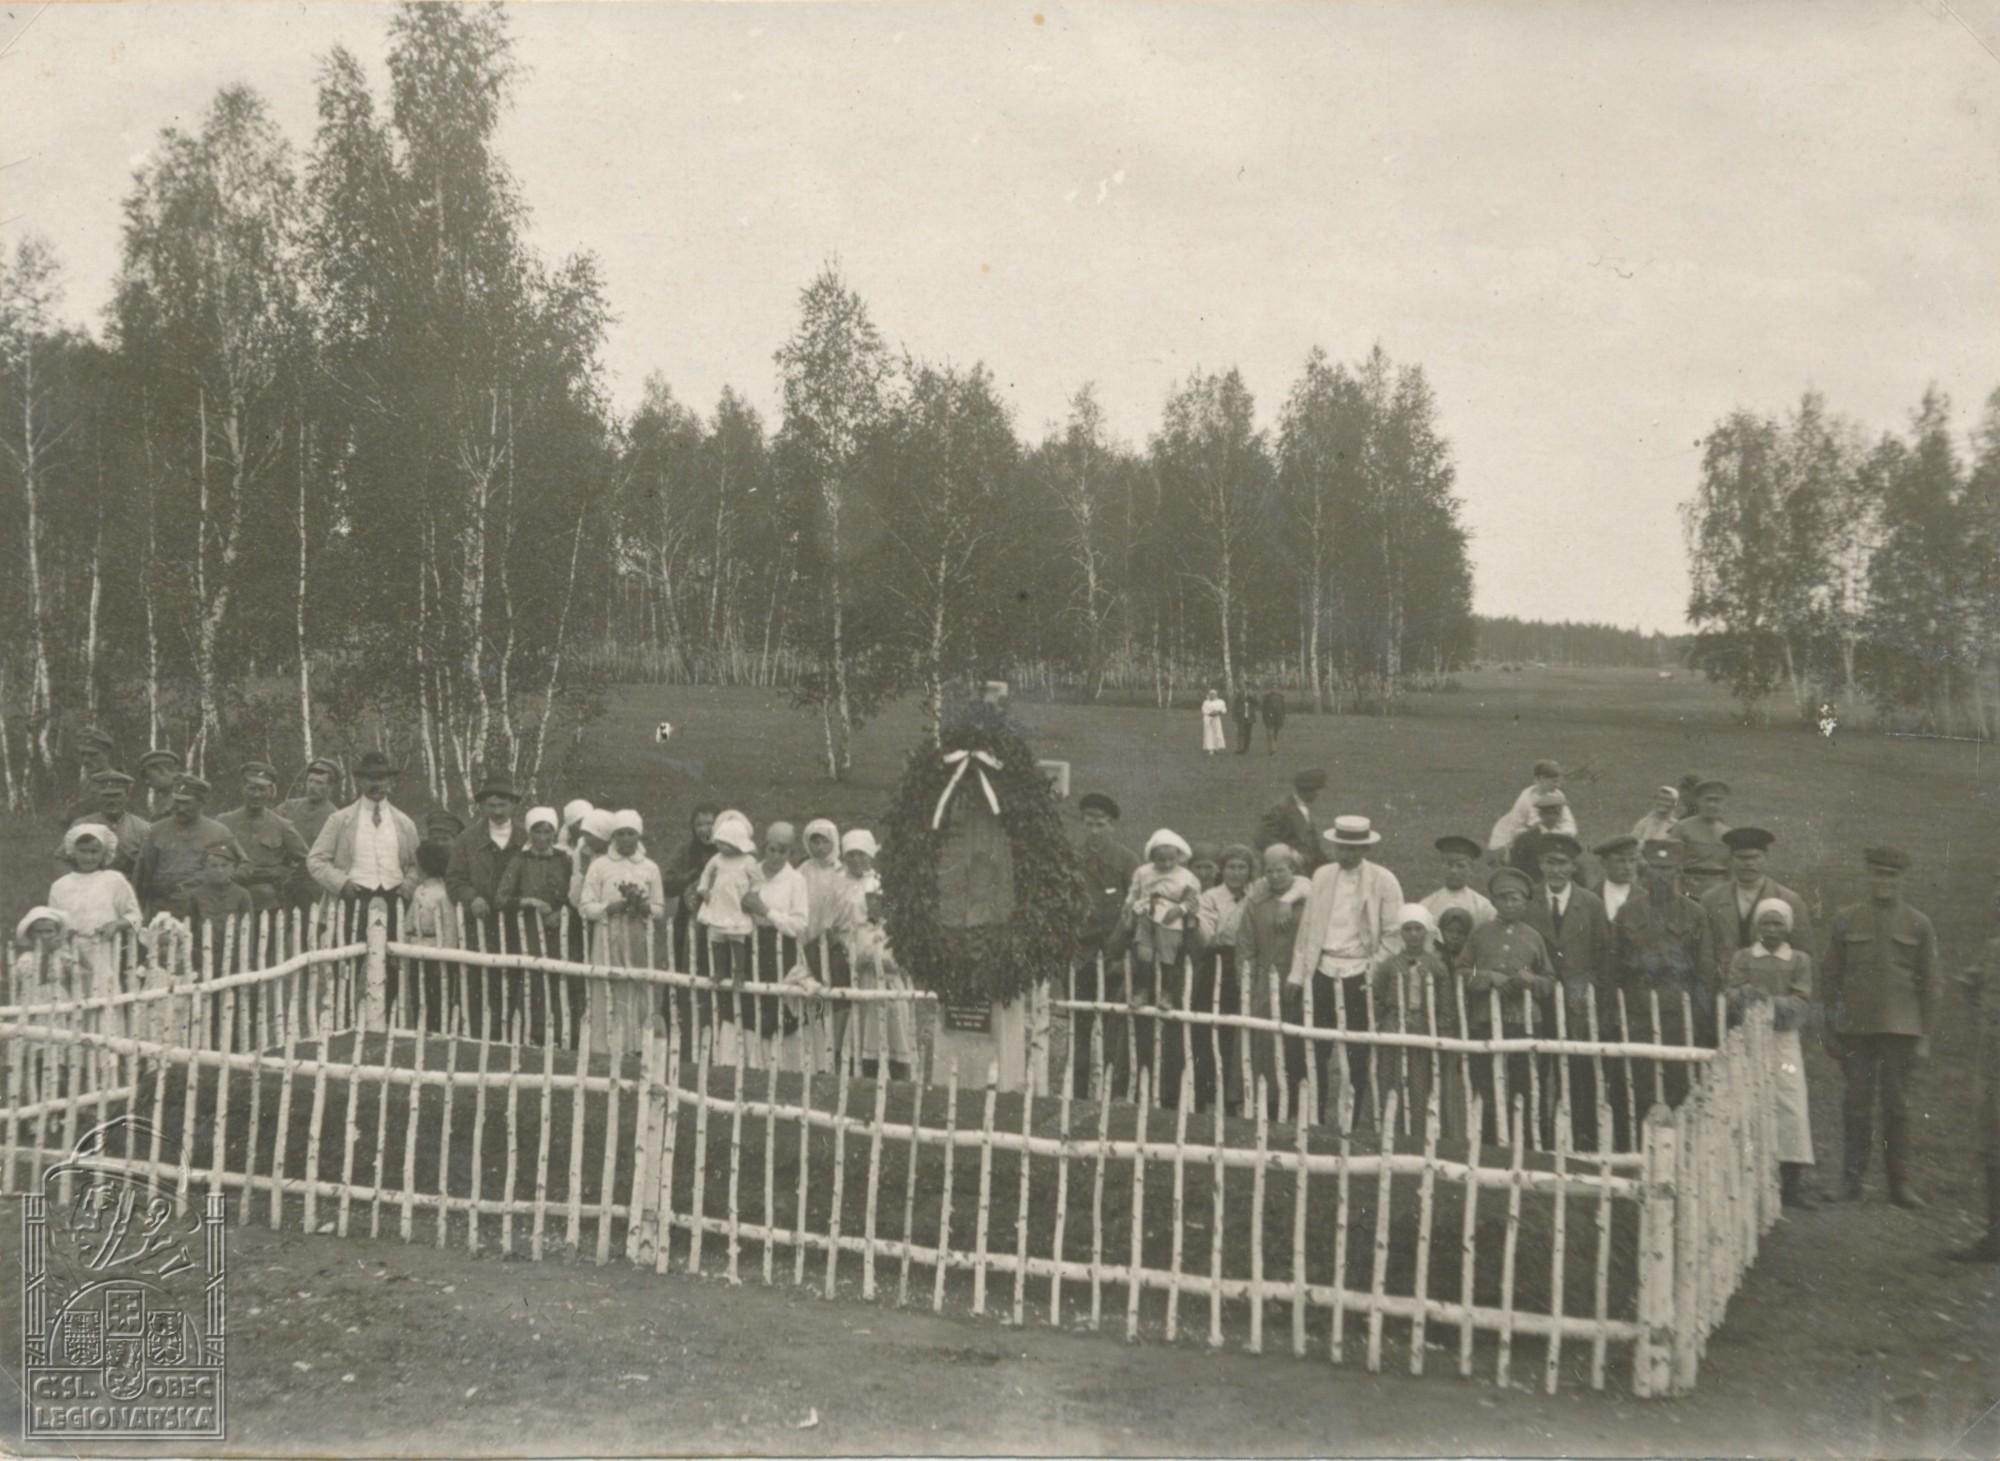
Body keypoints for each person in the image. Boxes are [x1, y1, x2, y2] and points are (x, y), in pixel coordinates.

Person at [1820, 845, 1939, 1207]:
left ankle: (1900, 1185)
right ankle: (1851, 1181)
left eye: (1892, 875)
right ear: (1868, 875)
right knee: (1855, 1105)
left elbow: (1931, 982)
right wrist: (1830, 1025)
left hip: (1900, 1030)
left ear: (1903, 878)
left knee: (1896, 1107)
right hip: (1856, 1028)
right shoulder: (1846, 918)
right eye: (1878, 874)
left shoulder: (1919, 923)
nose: (1884, 881)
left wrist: (1924, 1036)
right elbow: (1830, 975)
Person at [1286, 815, 1404, 1127]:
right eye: (1341, 848)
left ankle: (1350, 1120)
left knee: (1356, 1052)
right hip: (1322, 968)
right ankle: (1314, 1119)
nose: (1346, 854)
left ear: (1365, 849)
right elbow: (1308, 928)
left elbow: (1393, 934)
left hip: (1359, 972)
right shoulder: (1323, 875)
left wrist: (1372, 971)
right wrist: (1297, 975)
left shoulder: (1383, 880)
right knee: (1313, 1047)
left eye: (1353, 849)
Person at [1522, 833, 1616, 1149]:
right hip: (1538, 999)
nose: (1557, 870)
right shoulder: (1528, 901)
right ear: (1541, 864)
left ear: (1574, 867)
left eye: (1563, 864)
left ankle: (1576, 1139)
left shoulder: (1590, 903)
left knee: (1577, 1072)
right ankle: (1536, 1138)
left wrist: (1592, 990)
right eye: (1551, 863)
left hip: (1577, 1003)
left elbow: (1603, 954)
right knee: (1536, 1068)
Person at [1612, 839, 1712, 1135]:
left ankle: (1678, 1147)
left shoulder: (1694, 913)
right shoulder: (1628, 912)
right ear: (1645, 872)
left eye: (1668, 869)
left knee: (1679, 1080)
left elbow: (1705, 969)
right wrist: (1615, 1008)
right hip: (1638, 1008)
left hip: (1679, 1010)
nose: (1662, 875)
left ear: (1679, 872)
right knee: (1638, 1079)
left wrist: (1701, 1015)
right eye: (1656, 868)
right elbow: (1613, 965)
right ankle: (1637, 1145)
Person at [1726, 899, 1817, 1208]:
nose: (1772, 929)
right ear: (1757, 927)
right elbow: (1730, 994)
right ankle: (1751, 1178)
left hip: (1783, 1040)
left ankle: (1791, 1182)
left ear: (1787, 928)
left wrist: (1766, 1002)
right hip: (1748, 1038)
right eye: (1766, 923)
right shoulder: (1743, 957)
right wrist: (1743, 995)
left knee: (1790, 1104)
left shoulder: (1799, 960)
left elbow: (1801, 1002)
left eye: (1778, 923)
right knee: (1748, 1101)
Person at [1458, 866, 1557, 1144]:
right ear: (1493, 902)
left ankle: (1525, 1145)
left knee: (1524, 1087)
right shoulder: (1480, 935)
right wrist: (1489, 977)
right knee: (1486, 1086)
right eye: (1503, 898)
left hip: (1525, 1024)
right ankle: (1489, 1146)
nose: (1509, 904)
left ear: (1525, 903)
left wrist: (1531, 980)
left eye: (1515, 899)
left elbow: (1549, 981)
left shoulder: (1534, 937)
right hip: (1485, 1021)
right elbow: (1461, 972)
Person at [307, 749, 419, 962]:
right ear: (360, 781)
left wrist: (407, 886)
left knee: (393, 962)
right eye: (370, 778)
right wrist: (341, 883)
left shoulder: (404, 823)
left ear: (390, 781)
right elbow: (315, 860)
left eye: (382, 778)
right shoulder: (340, 820)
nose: (376, 784)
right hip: (353, 899)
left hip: (394, 900)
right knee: (346, 963)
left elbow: (416, 864)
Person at [1070, 792, 1140, 1099]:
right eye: (1089, 824)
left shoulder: (1126, 860)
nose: (1095, 831)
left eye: (1101, 825)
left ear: (1112, 826)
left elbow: (1136, 907)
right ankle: (1078, 1092)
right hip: (1081, 953)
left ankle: (1113, 1092)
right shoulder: (1072, 858)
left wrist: (1123, 949)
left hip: (1115, 953)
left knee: (1115, 1024)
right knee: (1080, 1025)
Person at [580, 809, 666, 1052]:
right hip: (607, 933)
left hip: (638, 934)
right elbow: (585, 907)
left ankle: (635, 1045)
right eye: (620, 834)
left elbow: (660, 908)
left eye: (631, 833)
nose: (626, 839)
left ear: (639, 835)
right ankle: (603, 1045)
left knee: (636, 985)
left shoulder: (650, 867)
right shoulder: (600, 866)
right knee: (606, 984)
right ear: (613, 836)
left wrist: (644, 907)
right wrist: (610, 908)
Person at [1236, 844, 1310, 1117]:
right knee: (1264, 1041)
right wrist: (1247, 982)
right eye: (1269, 871)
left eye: (1280, 870)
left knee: (1298, 1040)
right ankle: (1264, 1101)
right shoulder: (1256, 902)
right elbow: (1245, 946)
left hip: (1299, 979)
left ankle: (1298, 1104)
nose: (1275, 876)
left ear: (1293, 869)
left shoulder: (1307, 899)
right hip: (1264, 980)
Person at [1950, 870, 2000, 1262]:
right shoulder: (1993, 948)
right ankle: (1994, 1235)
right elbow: (1969, 984)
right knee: (1992, 1146)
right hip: (1992, 1065)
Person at [1185, 843, 1256, 1113]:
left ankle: (1231, 1097)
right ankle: (1202, 1094)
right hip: (1217, 963)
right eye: (1231, 867)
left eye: (1242, 867)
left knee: (1236, 1032)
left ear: (1250, 871)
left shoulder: (1257, 893)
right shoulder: (1212, 897)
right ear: (1222, 870)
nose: (1236, 873)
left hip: (1246, 962)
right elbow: (1206, 935)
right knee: (1208, 1028)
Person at [1698, 827, 1813, 990]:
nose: (1748, 863)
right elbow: (1704, 954)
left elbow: (1804, 954)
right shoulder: (1711, 900)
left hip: (1774, 991)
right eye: (1741, 857)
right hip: (1724, 989)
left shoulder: (1789, 900)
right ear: (1730, 859)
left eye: (1754, 857)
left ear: (1766, 858)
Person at [1371, 904, 1450, 1136]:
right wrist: (1379, 1023)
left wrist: (1441, 1030)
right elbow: (1378, 997)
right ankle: (1389, 1129)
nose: (1413, 934)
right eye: (1408, 929)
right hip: (1393, 1026)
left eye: (1418, 929)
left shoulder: (1437, 966)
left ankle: (1417, 1132)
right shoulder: (1388, 965)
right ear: (1401, 933)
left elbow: (1445, 1004)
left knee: (1419, 1080)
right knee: (1390, 1077)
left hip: (1423, 1028)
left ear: (1427, 932)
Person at [498, 806, 575, 1043]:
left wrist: (562, 913)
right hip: (529, 929)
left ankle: (561, 1031)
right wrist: (531, 902)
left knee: (560, 976)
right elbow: (501, 898)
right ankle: (532, 1032)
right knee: (533, 977)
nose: (542, 837)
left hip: (560, 930)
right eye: (537, 832)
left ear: (554, 833)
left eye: (547, 831)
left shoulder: (564, 860)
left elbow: (576, 895)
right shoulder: (519, 861)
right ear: (529, 834)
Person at [49, 823, 142, 1001]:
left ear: (104, 853)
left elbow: (135, 916)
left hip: (103, 948)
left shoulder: (114, 880)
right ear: (73, 852)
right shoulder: (60, 886)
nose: (88, 857)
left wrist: (116, 924)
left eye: (94, 852)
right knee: (75, 998)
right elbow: (54, 924)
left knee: (104, 995)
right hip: (70, 952)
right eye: (83, 851)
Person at [136, 775, 245, 921]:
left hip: (204, 910)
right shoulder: (156, 831)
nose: (180, 808)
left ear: (202, 802)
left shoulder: (219, 831)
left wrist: (220, 878)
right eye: (177, 802)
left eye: (187, 803)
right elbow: (142, 874)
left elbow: (244, 863)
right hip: (164, 909)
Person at [742, 821, 809, 1046]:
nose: (776, 856)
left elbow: (799, 924)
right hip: (750, 945)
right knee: (751, 1008)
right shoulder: (751, 873)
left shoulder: (796, 880)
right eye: (772, 849)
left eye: (783, 851)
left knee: (780, 1013)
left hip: (782, 948)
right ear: (764, 847)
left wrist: (766, 912)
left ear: (791, 853)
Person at [217, 761, 311, 915]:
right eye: (252, 788)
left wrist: (284, 877)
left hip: (268, 902)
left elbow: (306, 861)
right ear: (242, 788)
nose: (257, 795)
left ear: (270, 791)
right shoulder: (224, 822)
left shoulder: (282, 825)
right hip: (229, 898)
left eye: (262, 789)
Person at [695, 809, 763, 1017]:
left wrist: (751, 895)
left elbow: (758, 881)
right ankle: (720, 970)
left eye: (725, 844)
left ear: (737, 844)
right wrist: (703, 889)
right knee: (717, 938)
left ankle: (739, 972)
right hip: (719, 904)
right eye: (719, 843)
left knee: (737, 939)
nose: (720, 847)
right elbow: (706, 875)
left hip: (736, 905)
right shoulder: (717, 859)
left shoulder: (748, 861)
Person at [64, 769, 150, 880]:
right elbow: (63, 859)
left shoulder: (142, 828)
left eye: (116, 795)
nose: (111, 801)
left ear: (127, 796)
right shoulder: (81, 825)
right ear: (97, 797)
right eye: (106, 796)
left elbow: (149, 867)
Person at [1486, 760, 1576, 855]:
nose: (1558, 785)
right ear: (1542, 779)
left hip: (1543, 832)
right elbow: (1534, 826)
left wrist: (1567, 832)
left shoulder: (1558, 794)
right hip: (1515, 832)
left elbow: (1567, 818)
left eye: (1559, 781)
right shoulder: (1527, 799)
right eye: (1554, 781)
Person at [1255, 769, 1327, 874]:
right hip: (1284, 871)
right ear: (1306, 790)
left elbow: (1313, 847)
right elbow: (1262, 838)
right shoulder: (1280, 809)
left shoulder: (1304, 808)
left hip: (1306, 869)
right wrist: (1289, 852)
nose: (1318, 794)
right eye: (1316, 790)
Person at [1421, 835, 1496, 929]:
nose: (1454, 871)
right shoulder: (1427, 905)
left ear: (1471, 869)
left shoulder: (1484, 907)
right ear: (1441, 867)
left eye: (1461, 866)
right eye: (1449, 865)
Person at [1668, 778, 1732, 884]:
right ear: (1698, 801)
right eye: (1708, 800)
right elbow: (1670, 862)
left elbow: (1731, 869)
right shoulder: (1682, 827)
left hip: (1719, 887)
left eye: (1717, 801)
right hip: (1688, 886)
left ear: (1724, 803)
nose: (1712, 805)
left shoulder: (1728, 833)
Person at [1506, 791, 1577, 878]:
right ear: (1540, 814)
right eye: (1548, 813)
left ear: (1560, 815)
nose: (1552, 817)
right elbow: (1516, 870)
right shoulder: (1524, 839)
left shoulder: (1565, 840)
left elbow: (1574, 869)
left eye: (1556, 813)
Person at [276, 758, 343, 851]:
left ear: (330, 787)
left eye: (319, 783)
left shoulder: (336, 818)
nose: (312, 786)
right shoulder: (289, 806)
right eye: (310, 781)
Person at [61, 726, 119, 828]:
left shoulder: (118, 783)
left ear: (106, 754)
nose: (86, 760)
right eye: (83, 754)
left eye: (92, 754)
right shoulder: (86, 781)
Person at [1593, 835, 1639, 923]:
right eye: (1620, 861)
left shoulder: (1644, 897)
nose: (1628, 867)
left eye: (1632, 860)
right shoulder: (1591, 896)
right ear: (1604, 863)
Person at [136, 748, 184, 820]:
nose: (147, 782)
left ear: (161, 771)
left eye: (148, 776)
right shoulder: (163, 800)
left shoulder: (184, 802)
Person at [1199, 688, 1228, 756]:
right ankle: (1211, 749)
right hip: (1208, 719)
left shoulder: (1220, 702)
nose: (1212, 696)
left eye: (1213, 695)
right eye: (1211, 695)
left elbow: (1224, 710)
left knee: (1217, 733)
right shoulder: (1206, 702)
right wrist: (1210, 713)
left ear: (1216, 695)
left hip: (1216, 719)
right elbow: (1204, 710)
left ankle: (1217, 748)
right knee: (1209, 734)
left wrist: (1218, 712)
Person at [1232, 686, 1258, 755]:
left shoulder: (1253, 694)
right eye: (1246, 687)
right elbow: (1235, 705)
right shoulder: (1240, 694)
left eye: (1249, 687)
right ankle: (1239, 748)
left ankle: (1246, 748)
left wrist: (1251, 696)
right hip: (1241, 716)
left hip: (1249, 717)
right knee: (1240, 732)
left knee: (1248, 733)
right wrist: (1234, 716)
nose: (1247, 689)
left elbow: (1257, 703)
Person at [1260, 686, 1286, 754]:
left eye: (1276, 687)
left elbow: (1283, 708)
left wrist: (1283, 717)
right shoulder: (1266, 697)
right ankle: (1272, 748)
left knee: (1275, 733)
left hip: (1278, 717)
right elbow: (1263, 708)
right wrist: (1264, 717)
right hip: (1269, 717)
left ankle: (1273, 745)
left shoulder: (1281, 697)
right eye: (1273, 687)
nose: (1274, 689)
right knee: (1269, 733)